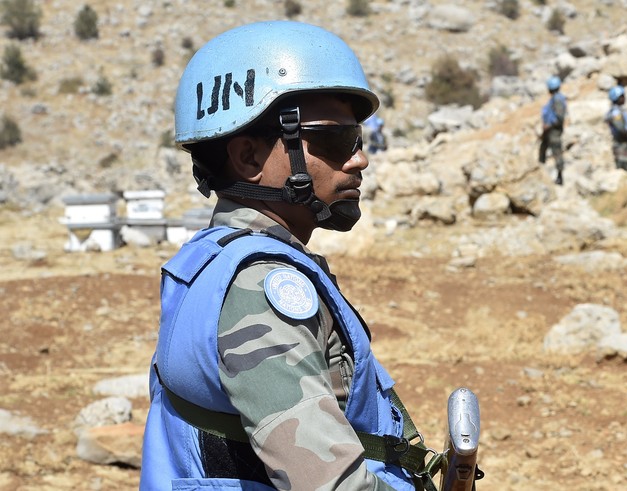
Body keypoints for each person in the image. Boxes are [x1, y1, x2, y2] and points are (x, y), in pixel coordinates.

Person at [141, 21, 441, 491]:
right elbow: (329, 483)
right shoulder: (260, 288)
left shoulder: (210, 259)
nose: (358, 160)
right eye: (335, 141)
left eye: (357, 140)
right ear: (247, 158)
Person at [538, 75, 568, 185]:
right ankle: (540, 175)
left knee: (557, 152)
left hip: (554, 131)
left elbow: (559, 117)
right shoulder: (554, 99)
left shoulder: (558, 99)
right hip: (549, 131)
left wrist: (549, 125)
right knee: (543, 150)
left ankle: (560, 177)